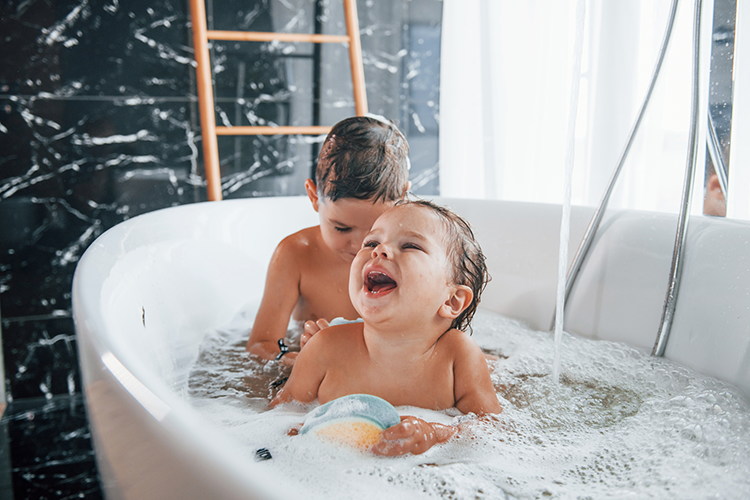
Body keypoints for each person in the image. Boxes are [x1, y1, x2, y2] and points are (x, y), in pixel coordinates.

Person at [271, 199, 503, 456]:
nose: (378, 251)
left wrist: (435, 433)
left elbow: (491, 428)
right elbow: (276, 418)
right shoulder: (325, 348)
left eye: (410, 245)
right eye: (371, 243)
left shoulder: (457, 356)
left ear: (451, 300)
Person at [246, 116, 411, 365]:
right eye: (342, 228)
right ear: (314, 197)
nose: (359, 246)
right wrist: (297, 360)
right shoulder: (295, 255)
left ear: (404, 200)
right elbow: (261, 345)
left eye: (374, 232)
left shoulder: (414, 256)